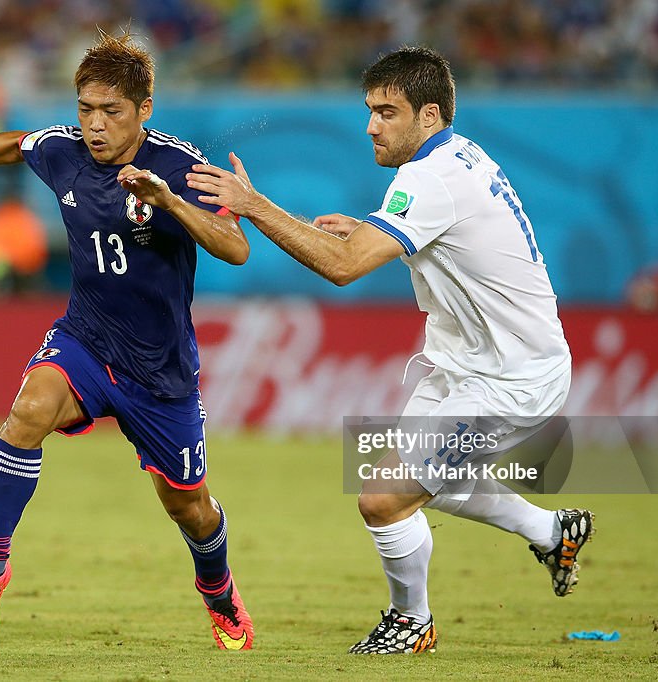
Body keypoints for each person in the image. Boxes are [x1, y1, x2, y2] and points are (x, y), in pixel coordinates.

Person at [186, 46, 594, 654]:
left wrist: (255, 206)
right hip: (462, 365)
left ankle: (412, 623)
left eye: (387, 112)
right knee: (431, 482)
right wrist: (375, 229)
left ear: (429, 115)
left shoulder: (429, 179)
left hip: (512, 377)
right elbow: (445, 233)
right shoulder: (456, 155)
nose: (371, 126)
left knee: (383, 496)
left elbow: (345, 268)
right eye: (370, 110)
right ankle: (553, 531)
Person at [0, 31, 254, 651]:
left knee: (190, 509)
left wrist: (171, 203)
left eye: (111, 112)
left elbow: (236, 247)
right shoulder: (66, 151)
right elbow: (18, 144)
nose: (95, 126)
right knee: (27, 412)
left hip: (160, 373)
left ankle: (220, 592)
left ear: (144, 110)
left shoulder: (180, 164)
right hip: (86, 342)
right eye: (85, 109)